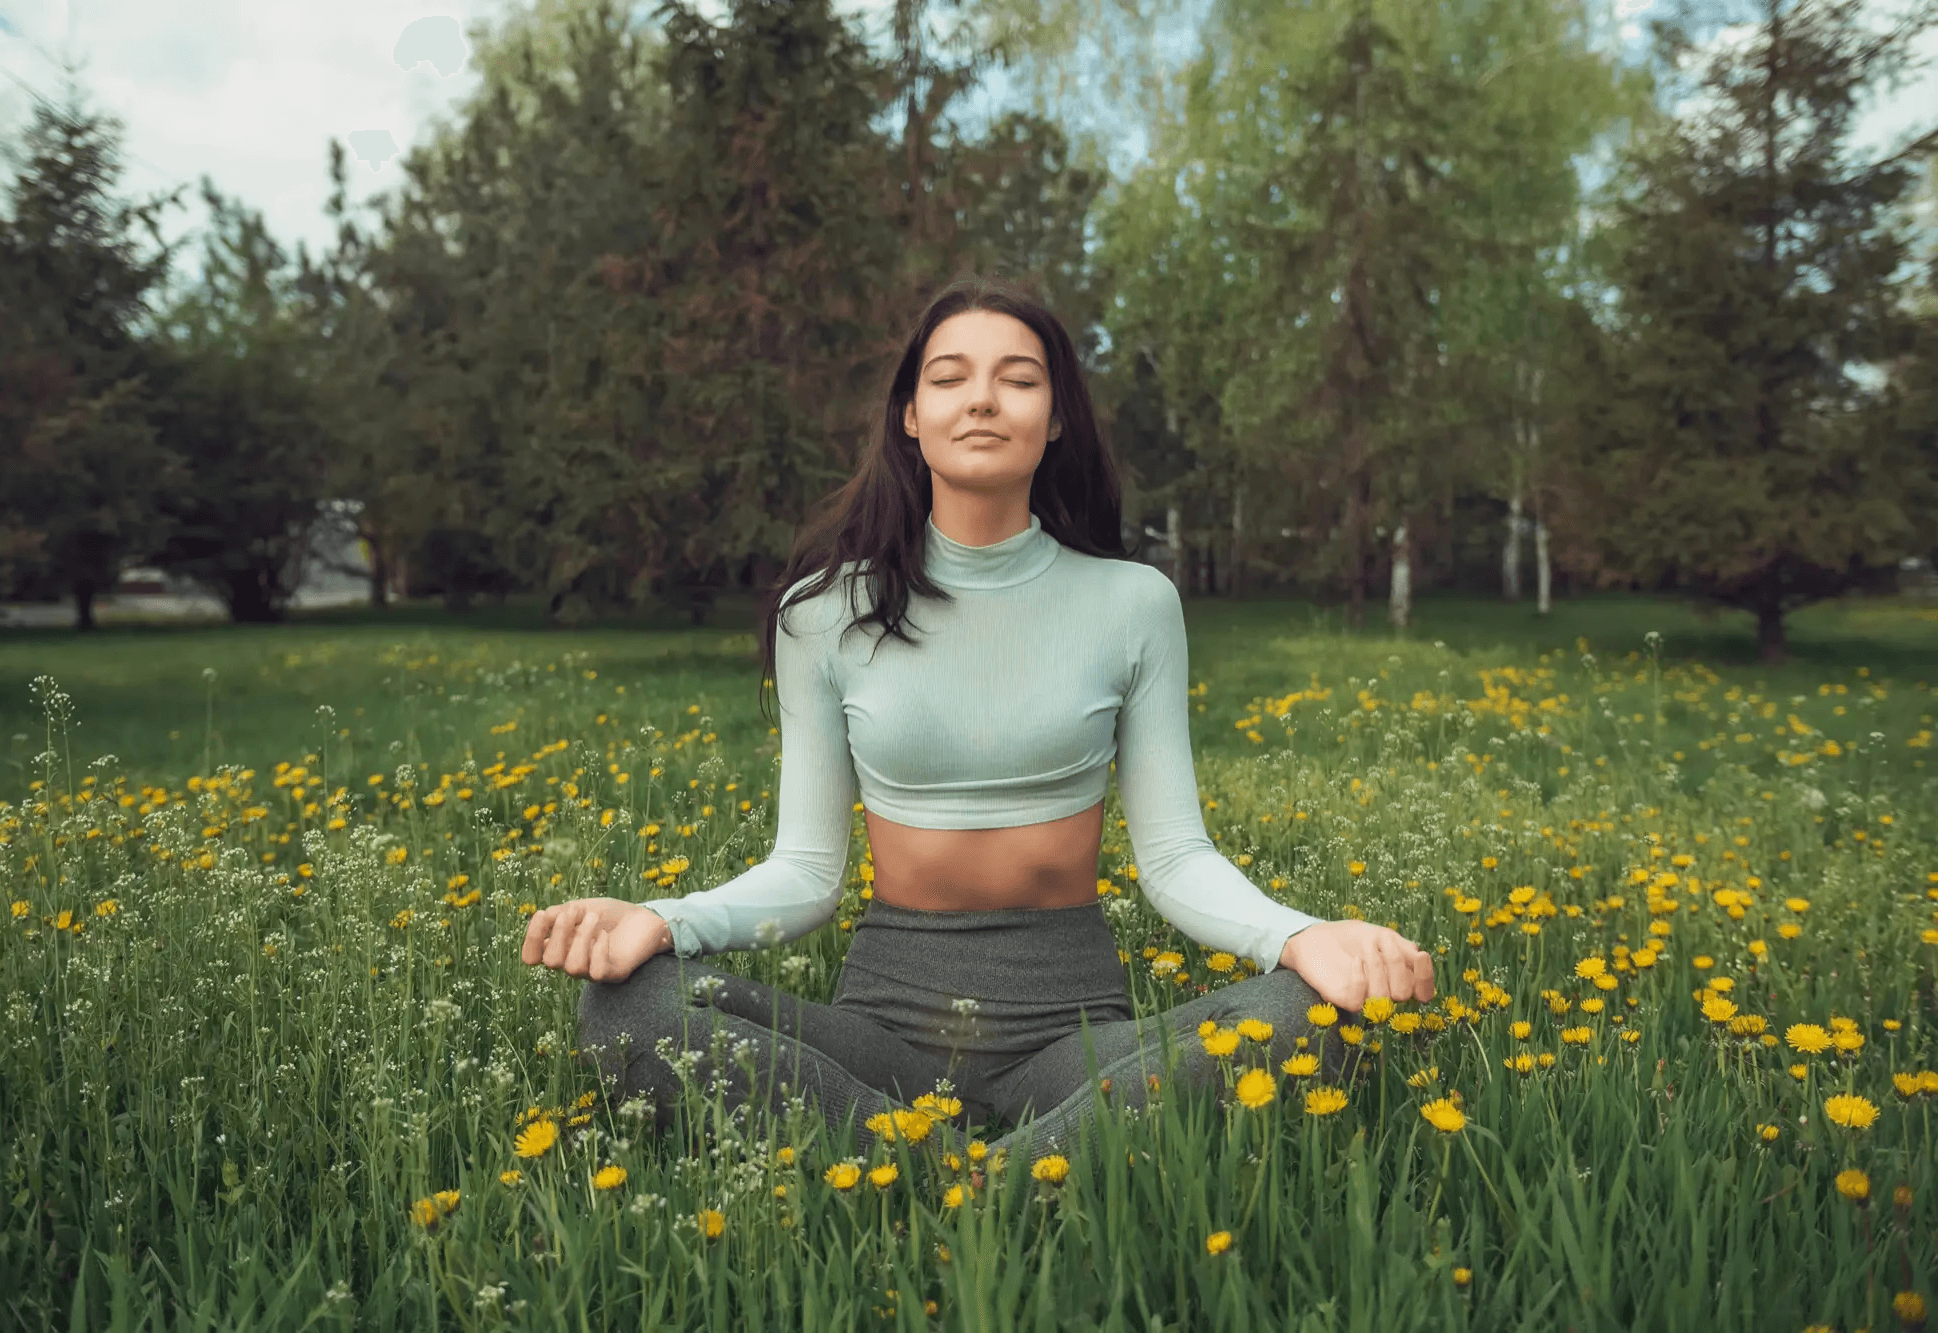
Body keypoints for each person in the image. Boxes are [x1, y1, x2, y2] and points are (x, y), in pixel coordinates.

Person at [525, 275, 1437, 1167]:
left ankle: (923, 1170)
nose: (984, 400)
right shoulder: (823, 613)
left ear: (1058, 415)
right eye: (951, 375)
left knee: (1316, 1011)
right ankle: (1025, 1173)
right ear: (911, 415)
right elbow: (804, 871)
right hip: (879, 1041)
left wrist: (1300, 935)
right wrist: (662, 919)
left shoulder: (1134, 602)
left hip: (1076, 1043)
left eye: (1020, 377)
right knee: (625, 1005)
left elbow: (1173, 858)